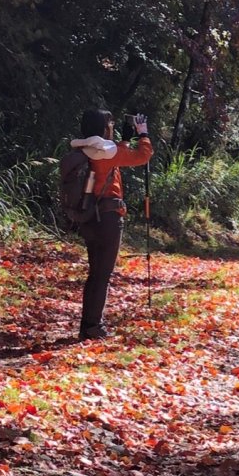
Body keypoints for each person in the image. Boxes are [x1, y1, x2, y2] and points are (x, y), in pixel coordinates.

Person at [70, 108, 153, 340]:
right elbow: (143, 155)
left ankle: (88, 324)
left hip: (88, 218)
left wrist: (124, 140)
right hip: (108, 218)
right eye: (111, 125)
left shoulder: (85, 147)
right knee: (102, 274)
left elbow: (113, 154)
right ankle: (92, 327)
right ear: (104, 128)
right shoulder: (106, 150)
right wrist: (143, 133)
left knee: (95, 272)